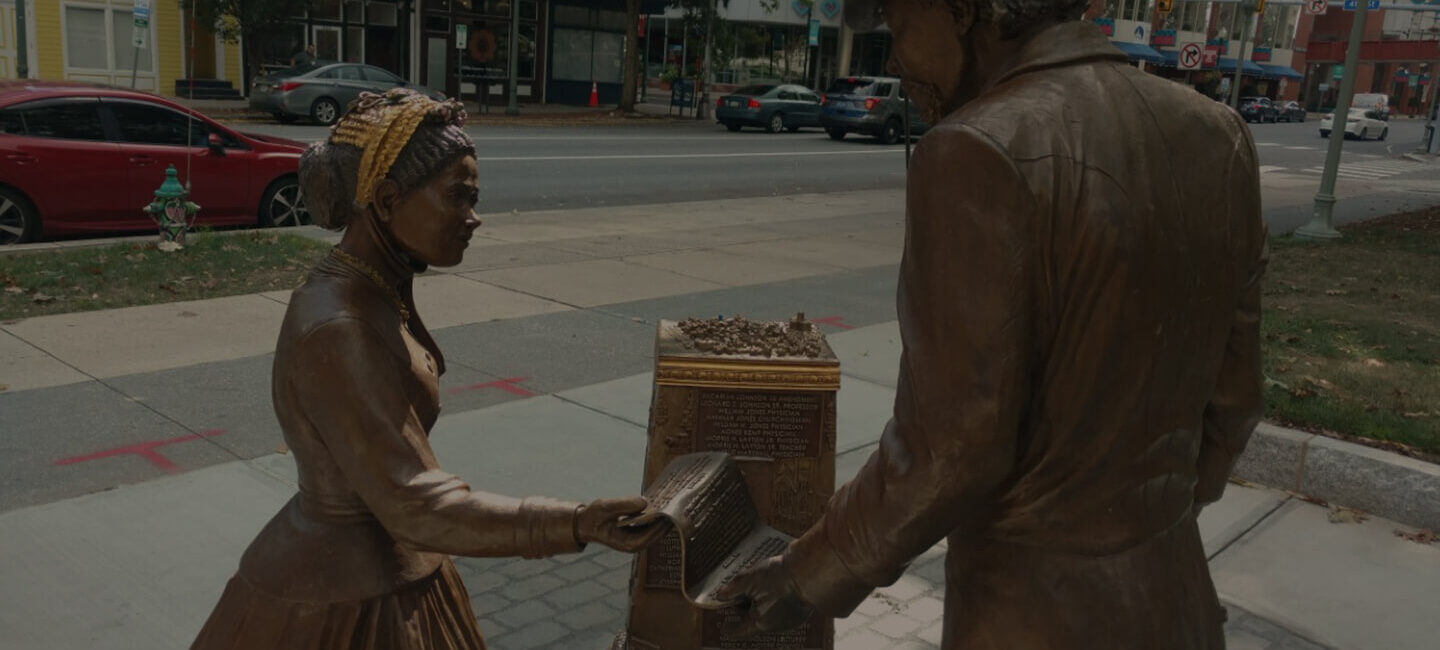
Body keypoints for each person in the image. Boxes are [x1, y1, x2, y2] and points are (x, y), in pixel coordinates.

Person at [718, 1, 1267, 649]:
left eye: (899, 25)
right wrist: (1151, 523)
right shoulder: (1219, 132)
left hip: (1034, 615)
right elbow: (1236, 399)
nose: (895, 58)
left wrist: (804, 575)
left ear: (958, 11)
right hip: (1176, 596)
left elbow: (952, 449)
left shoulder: (974, 148)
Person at [190, 89, 663, 650]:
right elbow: (417, 507)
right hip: (343, 606)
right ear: (388, 200)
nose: (473, 218)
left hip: (389, 572)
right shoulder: (340, 329)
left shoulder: (375, 287)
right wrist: (577, 522)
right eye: (458, 197)